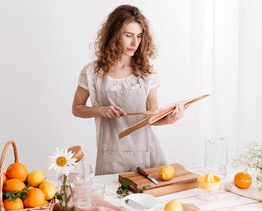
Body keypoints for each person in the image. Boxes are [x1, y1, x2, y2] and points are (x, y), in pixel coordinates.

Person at [72, 4, 186, 175]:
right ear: (114, 35)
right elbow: (76, 109)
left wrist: (169, 119)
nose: (135, 43)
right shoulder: (92, 72)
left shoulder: (147, 73)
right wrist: (100, 110)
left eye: (139, 36)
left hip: (146, 155)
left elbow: (151, 116)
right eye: (128, 35)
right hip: (111, 157)